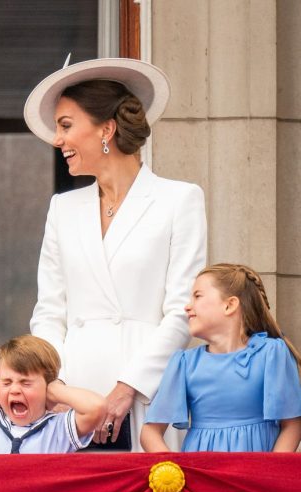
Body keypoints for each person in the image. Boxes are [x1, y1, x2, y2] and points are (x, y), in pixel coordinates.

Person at [24, 57, 207, 451]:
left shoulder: (179, 200)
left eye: (66, 126)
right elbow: (49, 312)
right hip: (72, 399)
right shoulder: (63, 208)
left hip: (146, 392)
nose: (58, 140)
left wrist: (129, 387)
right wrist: (54, 385)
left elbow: (181, 311)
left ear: (106, 128)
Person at [141, 264, 301, 452]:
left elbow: (292, 425)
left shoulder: (271, 353)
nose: (187, 306)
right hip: (202, 475)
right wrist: (174, 473)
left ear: (229, 305)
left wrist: (268, 473)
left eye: (197, 296)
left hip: (254, 474)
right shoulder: (185, 363)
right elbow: (150, 432)